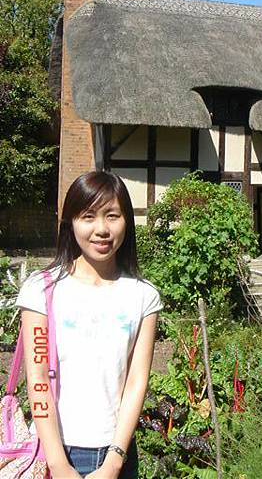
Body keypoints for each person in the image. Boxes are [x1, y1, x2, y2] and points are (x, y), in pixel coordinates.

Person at [14, 171, 163, 479]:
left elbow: (136, 382)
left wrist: (114, 461)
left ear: (126, 222)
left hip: (117, 455)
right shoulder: (41, 289)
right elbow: (38, 379)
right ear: (71, 223)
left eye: (112, 216)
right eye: (88, 217)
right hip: (55, 451)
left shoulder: (143, 296)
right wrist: (58, 464)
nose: (102, 230)